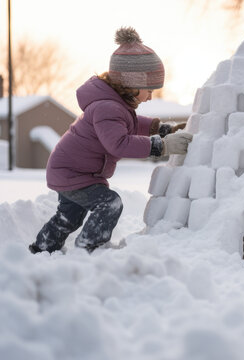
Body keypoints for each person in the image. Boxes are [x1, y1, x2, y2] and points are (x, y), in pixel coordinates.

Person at [28, 27, 192, 254]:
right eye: (149, 89)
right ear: (131, 84)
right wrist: (161, 146)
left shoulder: (114, 105)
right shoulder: (108, 107)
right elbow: (119, 143)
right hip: (74, 174)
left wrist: (162, 129)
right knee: (109, 203)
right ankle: (88, 249)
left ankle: (41, 250)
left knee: (69, 217)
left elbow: (131, 124)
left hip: (71, 172)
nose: (151, 96)